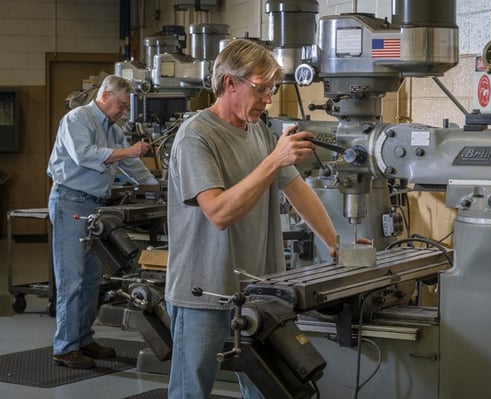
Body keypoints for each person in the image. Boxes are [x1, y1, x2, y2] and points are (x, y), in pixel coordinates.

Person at [165, 38, 338, 399]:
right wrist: (273, 161)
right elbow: (219, 213)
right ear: (230, 83)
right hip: (205, 290)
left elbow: (296, 188)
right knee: (190, 390)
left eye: (271, 90)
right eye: (261, 89)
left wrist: (336, 246)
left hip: (256, 290)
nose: (268, 99)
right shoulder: (196, 136)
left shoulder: (258, 129)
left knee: (266, 388)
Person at [47, 74, 158, 369]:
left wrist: (157, 190)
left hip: (94, 206)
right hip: (70, 201)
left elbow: (131, 164)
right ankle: (65, 347)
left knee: (90, 280)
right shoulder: (77, 119)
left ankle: (83, 338)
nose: (123, 112)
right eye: (121, 105)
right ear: (105, 95)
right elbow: (84, 155)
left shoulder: (112, 128)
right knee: (71, 279)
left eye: (126, 108)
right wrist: (129, 150)